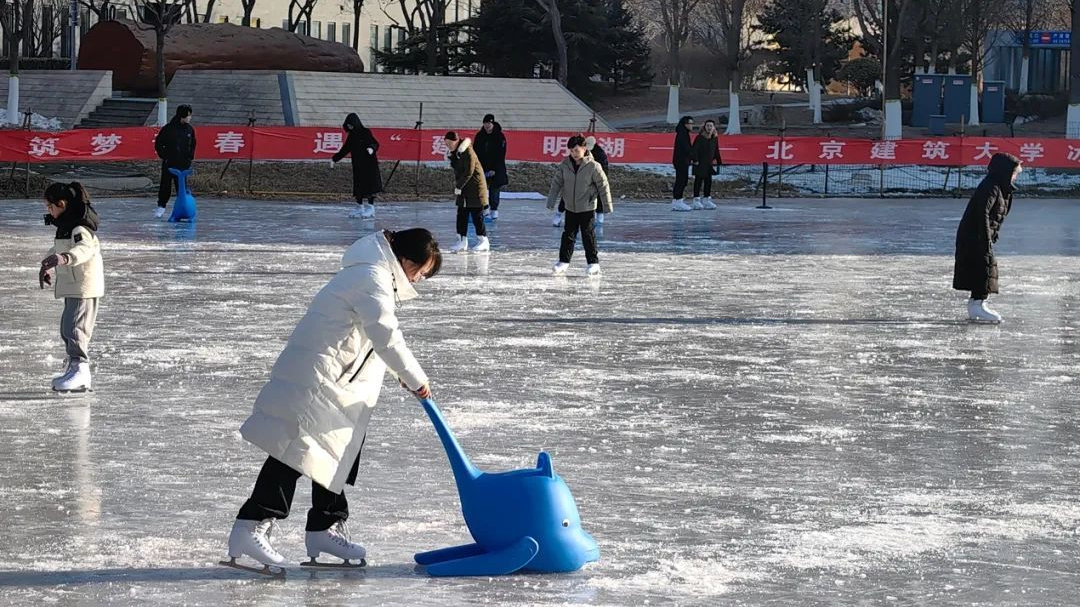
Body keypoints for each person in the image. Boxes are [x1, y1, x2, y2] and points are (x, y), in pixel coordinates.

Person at [226, 228, 441, 571]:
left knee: (336, 452)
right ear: (405, 261)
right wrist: (416, 379)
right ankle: (250, 527)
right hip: (319, 380)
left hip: (337, 380)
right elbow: (385, 334)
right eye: (422, 271)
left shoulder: (372, 271)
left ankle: (324, 527)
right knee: (294, 452)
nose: (421, 279)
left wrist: (401, 372)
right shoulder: (372, 276)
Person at [39, 182, 104, 393]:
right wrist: (47, 264)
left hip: (83, 286)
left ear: (62, 204)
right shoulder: (66, 228)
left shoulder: (79, 228)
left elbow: (84, 249)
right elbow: (58, 248)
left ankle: (80, 371)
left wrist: (64, 258)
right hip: (73, 286)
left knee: (75, 329)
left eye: (50, 207)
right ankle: (74, 367)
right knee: (67, 328)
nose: (48, 211)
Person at [953, 153, 1021, 323]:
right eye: (1014, 172)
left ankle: (976, 303)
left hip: (980, 235)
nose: (1015, 176)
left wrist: (992, 235)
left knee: (984, 267)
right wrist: (984, 237)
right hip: (974, 235)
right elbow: (981, 213)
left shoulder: (1000, 187)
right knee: (984, 267)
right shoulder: (991, 187)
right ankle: (977, 305)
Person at [546, 135, 612, 276]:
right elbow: (556, 183)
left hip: (587, 207)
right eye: (571, 151)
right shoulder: (565, 165)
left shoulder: (593, 166)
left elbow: (603, 185)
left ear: (584, 148)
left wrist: (606, 206)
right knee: (568, 235)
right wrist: (551, 201)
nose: (574, 154)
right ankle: (563, 261)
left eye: (576, 150)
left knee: (588, 235)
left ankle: (593, 263)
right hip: (570, 206)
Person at [444, 131, 490, 253]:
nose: (448, 145)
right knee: (461, 215)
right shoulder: (456, 153)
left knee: (477, 215)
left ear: (456, 141)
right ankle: (462, 241)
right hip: (464, 189)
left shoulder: (468, 151)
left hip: (475, 189)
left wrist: (459, 186)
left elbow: (468, 172)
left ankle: (483, 241)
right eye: (446, 143)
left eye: (450, 143)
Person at [332, 113, 383, 219]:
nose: (350, 127)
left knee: (370, 186)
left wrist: (371, 148)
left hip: (369, 164)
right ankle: (359, 206)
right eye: (348, 125)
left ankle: (370, 207)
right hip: (358, 165)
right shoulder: (351, 136)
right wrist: (335, 158)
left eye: (351, 124)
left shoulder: (365, 132)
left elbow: (375, 143)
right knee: (359, 186)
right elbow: (345, 149)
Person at [553, 136, 610, 228]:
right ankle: (559, 214)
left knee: (595, 197)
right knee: (568, 195)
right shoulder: (577, 154)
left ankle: (599, 217)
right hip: (577, 180)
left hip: (590, 181)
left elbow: (603, 172)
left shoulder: (600, 155)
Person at [154, 104, 196, 219]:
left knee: (181, 188)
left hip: (183, 164)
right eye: (188, 115)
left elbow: (193, 145)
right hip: (169, 163)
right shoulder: (169, 129)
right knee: (165, 186)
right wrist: (164, 156)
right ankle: (161, 206)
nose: (190, 118)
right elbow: (158, 144)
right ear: (182, 116)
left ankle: (182, 207)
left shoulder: (189, 130)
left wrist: (189, 158)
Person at [474, 114, 508, 222]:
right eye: (485, 123)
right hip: (482, 167)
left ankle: (494, 210)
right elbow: (475, 151)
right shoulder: (480, 136)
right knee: (480, 188)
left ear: (492, 124)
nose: (487, 125)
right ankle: (484, 209)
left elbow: (500, 154)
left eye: (489, 123)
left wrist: (494, 169)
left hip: (496, 168)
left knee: (494, 189)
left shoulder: (499, 136)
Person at [690, 119, 721, 210]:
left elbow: (716, 150)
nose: (709, 128)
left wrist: (719, 161)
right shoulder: (700, 137)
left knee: (708, 181)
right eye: (707, 126)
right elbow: (694, 150)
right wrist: (695, 160)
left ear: (713, 127)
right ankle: (696, 200)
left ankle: (706, 199)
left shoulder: (714, 138)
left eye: (711, 126)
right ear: (704, 127)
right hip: (700, 163)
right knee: (698, 181)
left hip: (708, 164)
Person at [585, 136, 611, 225]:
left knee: (599, 196)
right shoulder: (588, 152)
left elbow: (602, 170)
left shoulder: (600, 154)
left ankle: (599, 217)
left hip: (599, 177)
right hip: (589, 177)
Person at [671, 115, 694, 212]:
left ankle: (678, 199)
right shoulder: (682, 134)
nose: (692, 126)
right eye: (690, 123)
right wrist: (694, 156)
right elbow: (686, 148)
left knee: (683, 180)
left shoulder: (684, 133)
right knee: (681, 180)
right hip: (681, 160)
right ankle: (677, 200)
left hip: (683, 160)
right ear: (685, 124)